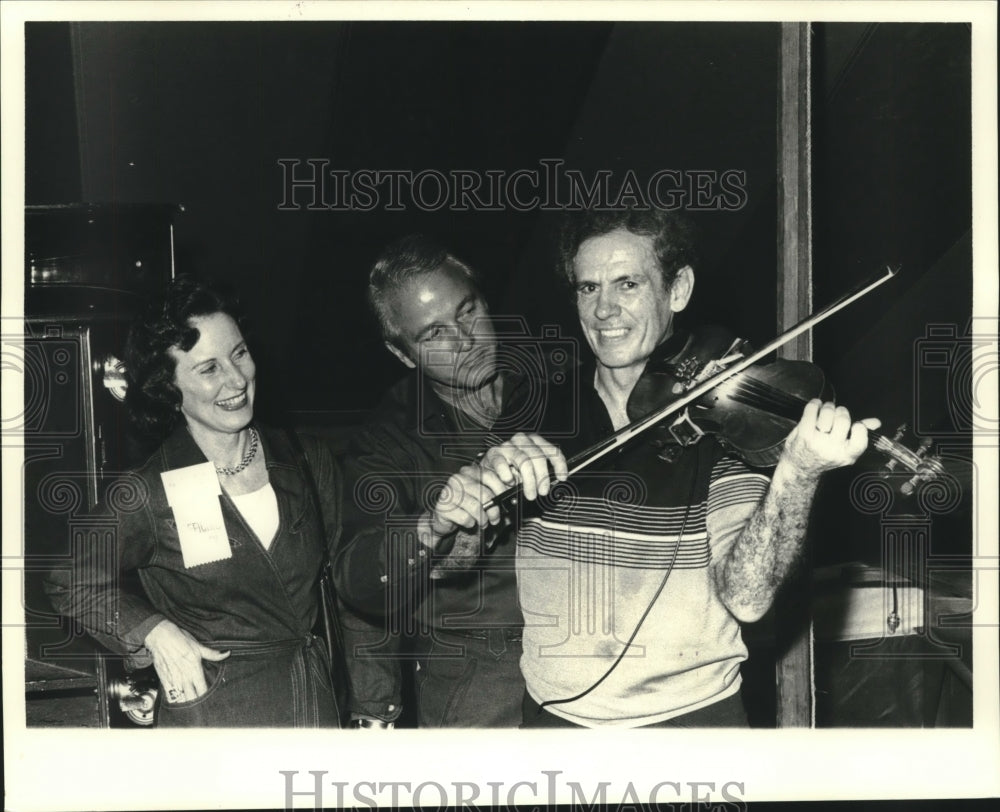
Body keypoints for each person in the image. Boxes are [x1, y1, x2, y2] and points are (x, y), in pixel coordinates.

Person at [366, 208, 879, 728]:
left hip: (689, 726)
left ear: (677, 290)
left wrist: (797, 473)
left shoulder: (721, 423)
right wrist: (458, 514)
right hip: (553, 727)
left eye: (627, 284)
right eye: (589, 288)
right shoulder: (538, 410)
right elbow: (459, 561)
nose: (605, 310)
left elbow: (747, 598)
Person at [45, 276, 349, 727]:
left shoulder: (306, 460)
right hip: (214, 717)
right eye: (208, 369)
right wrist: (153, 630)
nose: (236, 379)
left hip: (313, 704)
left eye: (239, 353)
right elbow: (68, 579)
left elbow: (348, 589)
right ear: (169, 388)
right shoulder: (149, 490)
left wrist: (373, 709)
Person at [335, 234, 564, 727]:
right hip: (476, 672)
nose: (466, 340)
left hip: (583, 647)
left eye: (467, 311)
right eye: (434, 334)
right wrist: (428, 528)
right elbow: (357, 578)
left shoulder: (555, 386)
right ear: (403, 355)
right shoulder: (386, 438)